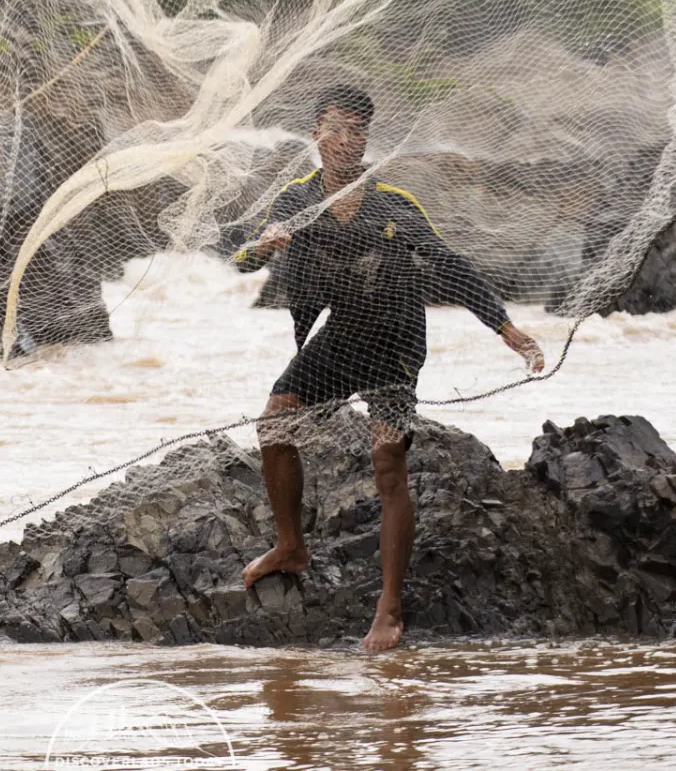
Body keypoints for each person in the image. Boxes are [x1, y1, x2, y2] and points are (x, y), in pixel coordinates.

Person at [231, 84, 545, 651]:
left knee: (387, 465)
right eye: (335, 128)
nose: (346, 140)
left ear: (367, 140)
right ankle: (290, 546)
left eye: (358, 131)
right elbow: (242, 259)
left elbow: (450, 266)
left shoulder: (395, 203)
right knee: (275, 424)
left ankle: (391, 607)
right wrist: (265, 247)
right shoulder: (295, 199)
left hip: (397, 340)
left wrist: (505, 328)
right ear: (315, 133)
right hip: (343, 336)